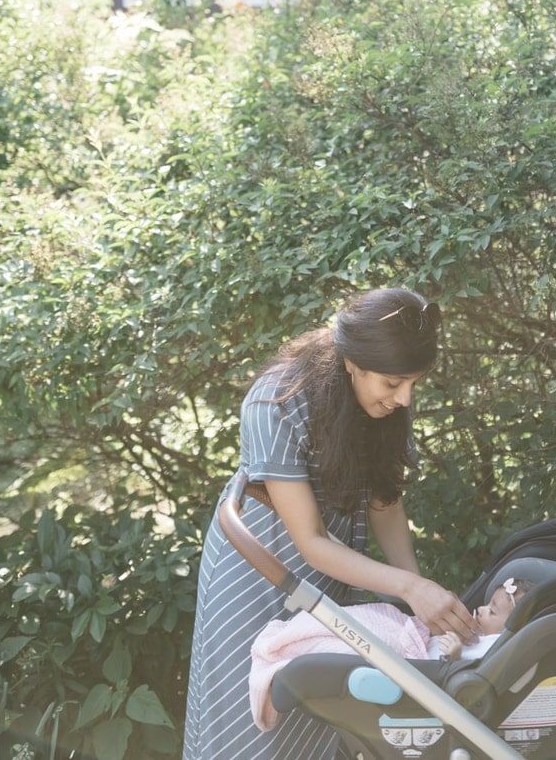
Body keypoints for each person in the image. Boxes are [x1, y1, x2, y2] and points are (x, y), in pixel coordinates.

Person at [182, 288, 478, 760]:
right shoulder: (277, 400)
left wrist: (419, 594)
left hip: (330, 571)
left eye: (413, 384)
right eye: (394, 383)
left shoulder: (382, 400)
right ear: (352, 363)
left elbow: (385, 504)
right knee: (250, 722)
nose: (405, 398)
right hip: (258, 570)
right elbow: (311, 542)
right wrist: (408, 589)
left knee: (319, 712)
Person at [248, 576, 535, 731]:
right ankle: (294, 637)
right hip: (412, 637)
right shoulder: (479, 633)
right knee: (369, 619)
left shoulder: (494, 647)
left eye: (492, 611)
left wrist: (455, 654)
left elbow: (472, 675)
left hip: (420, 666)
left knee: (353, 642)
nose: (481, 609)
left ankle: (292, 645)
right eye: (487, 604)